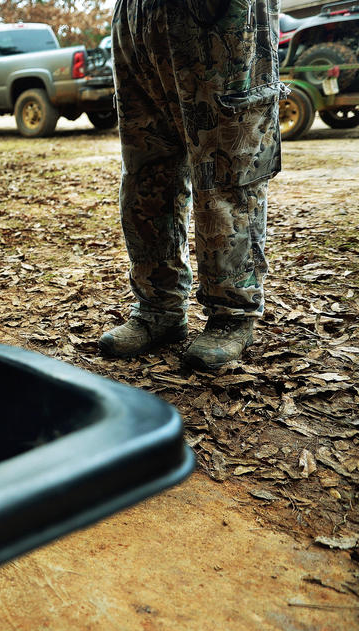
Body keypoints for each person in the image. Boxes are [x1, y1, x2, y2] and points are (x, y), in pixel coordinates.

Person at [98, 0, 284, 370]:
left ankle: (232, 314)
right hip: (137, 18)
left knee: (227, 171)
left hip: (218, 15)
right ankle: (159, 308)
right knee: (146, 174)